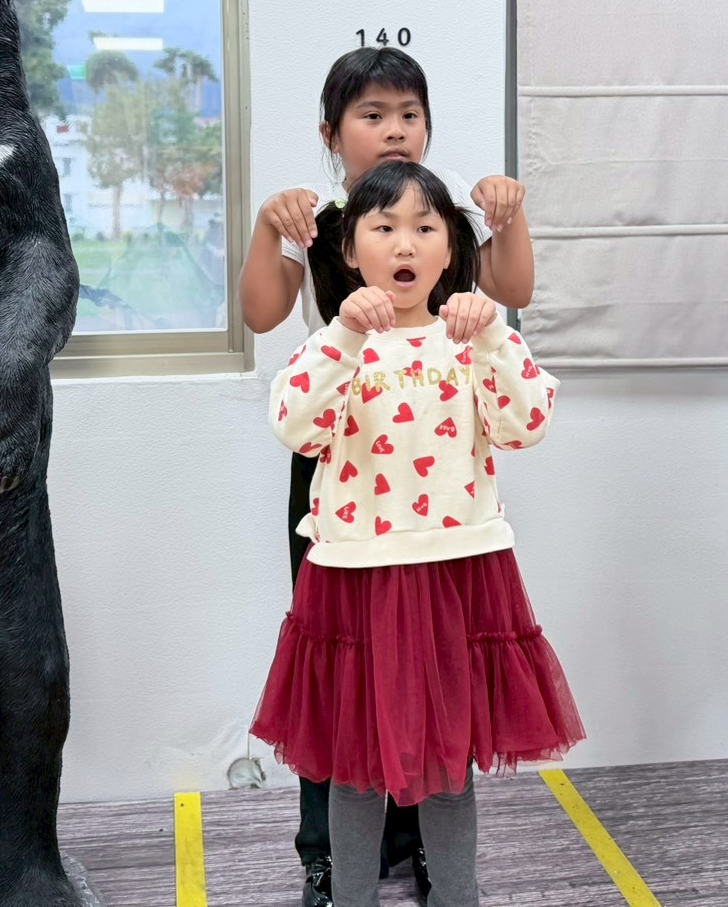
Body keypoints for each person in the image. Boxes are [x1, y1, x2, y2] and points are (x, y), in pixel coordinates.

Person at [238, 47, 534, 907]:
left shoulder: (448, 215)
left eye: (409, 114)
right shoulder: (317, 220)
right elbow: (261, 313)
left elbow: (514, 292)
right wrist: (266, 228)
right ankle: (330, 859)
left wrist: (509, 217)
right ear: (331, 134)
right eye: (371, 115)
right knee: (341, 683)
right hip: (343, 467)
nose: (394, 129)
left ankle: (425, 855)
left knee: (437, 683)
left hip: (440, 494)